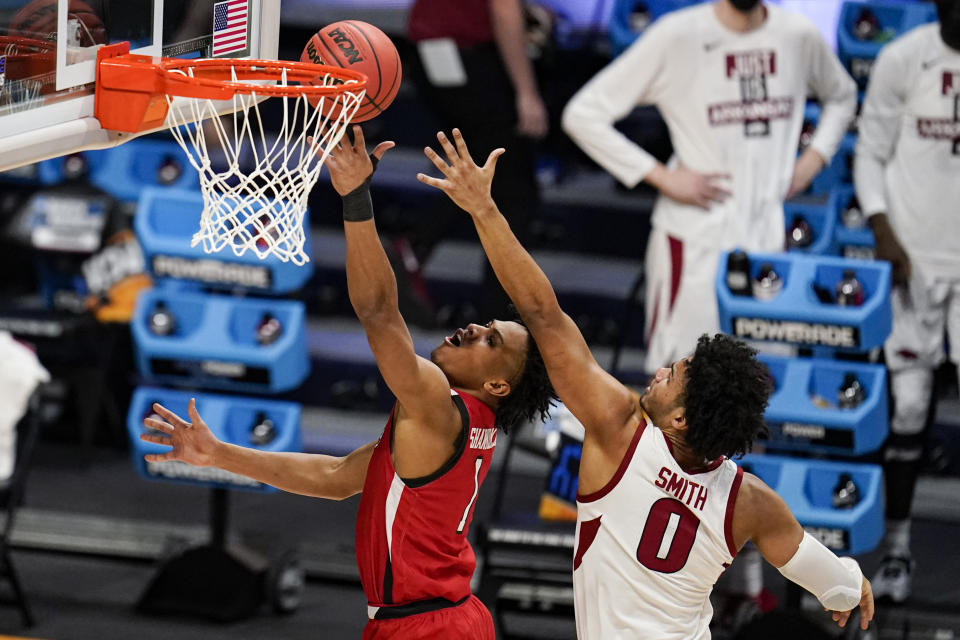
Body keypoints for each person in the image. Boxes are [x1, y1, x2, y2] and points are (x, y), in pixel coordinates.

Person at [415, 128, 874, 638]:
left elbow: (542, 313)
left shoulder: (620, 429)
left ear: (680, 419)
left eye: (672, 376)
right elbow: (821, 571)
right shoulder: (751, 501)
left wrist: (484, 210)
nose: (658, 372)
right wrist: (850, 586)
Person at [138, 126, 556, 639]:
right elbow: (337, 476)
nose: (474, 329)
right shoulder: (461, 424)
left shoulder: (437, 408)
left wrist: (356, 196)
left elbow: (380, 313)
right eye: (487, 327)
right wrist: (218, 454)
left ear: (497, 386)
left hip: (427, 627)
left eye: (490, 342)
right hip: (442, 620)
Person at [561, 0, 857, 374]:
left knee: (762, 385)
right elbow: (583, 113)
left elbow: (842, 94)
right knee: (680, 384)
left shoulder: (796, 34)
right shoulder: (678, 34)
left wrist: (814, 158)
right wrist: (660, 176)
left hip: (768, 242)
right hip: (694, 241)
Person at [853, 0, 960, 604]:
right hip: (913, 264)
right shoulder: (903, 58)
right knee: (910, 411)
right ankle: (897, 549)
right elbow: (870, 152)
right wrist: (882, 229)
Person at [406, 0, 548, 321]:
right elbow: (503, 10)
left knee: (492, 180)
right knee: (512, 192)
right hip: (468, 57)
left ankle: (413, 248)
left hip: (430, 53)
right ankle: (497, 320)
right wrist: (527, 92)